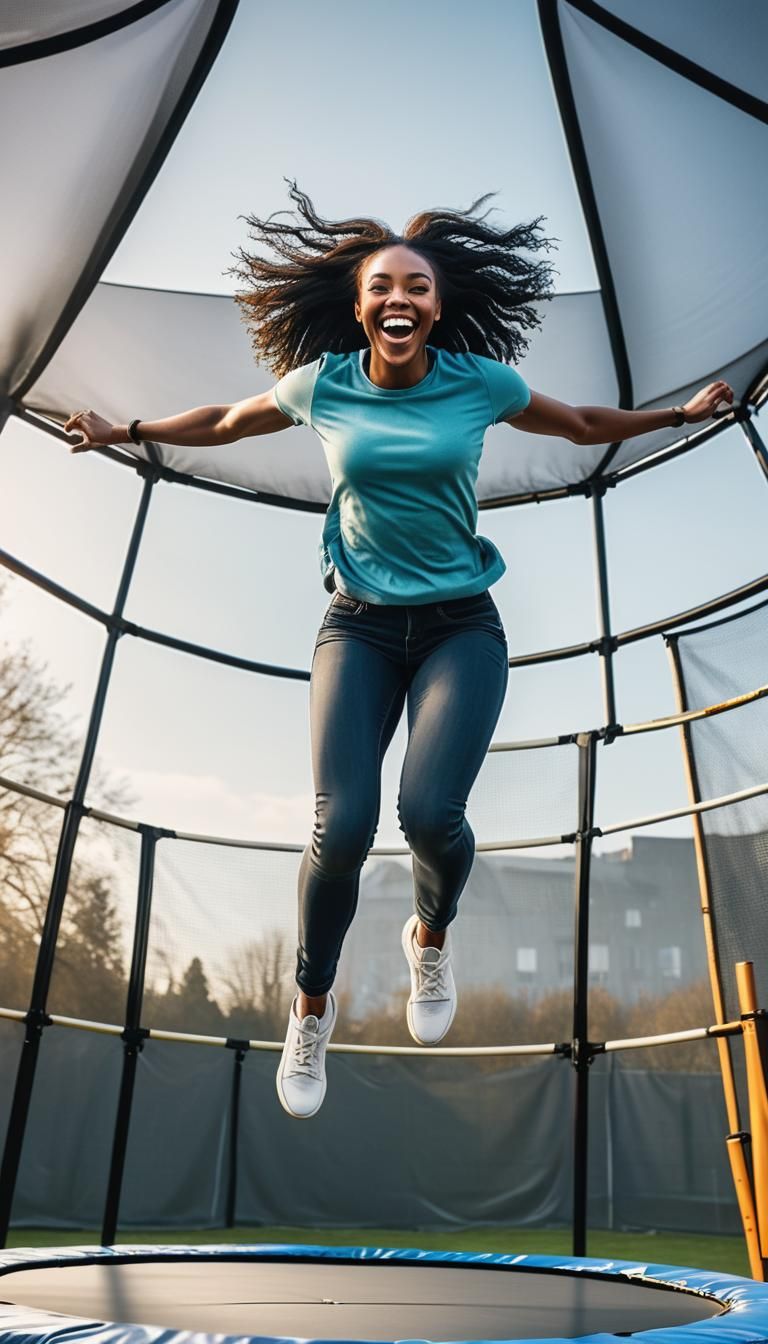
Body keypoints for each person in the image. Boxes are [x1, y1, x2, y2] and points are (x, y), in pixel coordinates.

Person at [66, 183, 734, 1120]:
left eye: (417, 288)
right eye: (384, 286)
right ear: (359, 304)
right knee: (338, 830)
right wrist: (120, 432)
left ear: (438, 306)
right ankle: (311, 1005)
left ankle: (431, 932)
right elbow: (223, 423)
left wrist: (674, 417)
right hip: (359, 626)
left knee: (429, 814)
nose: (400, 301)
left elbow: (582, 425)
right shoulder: (323, 385)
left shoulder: (479, 384)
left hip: (463, 626)